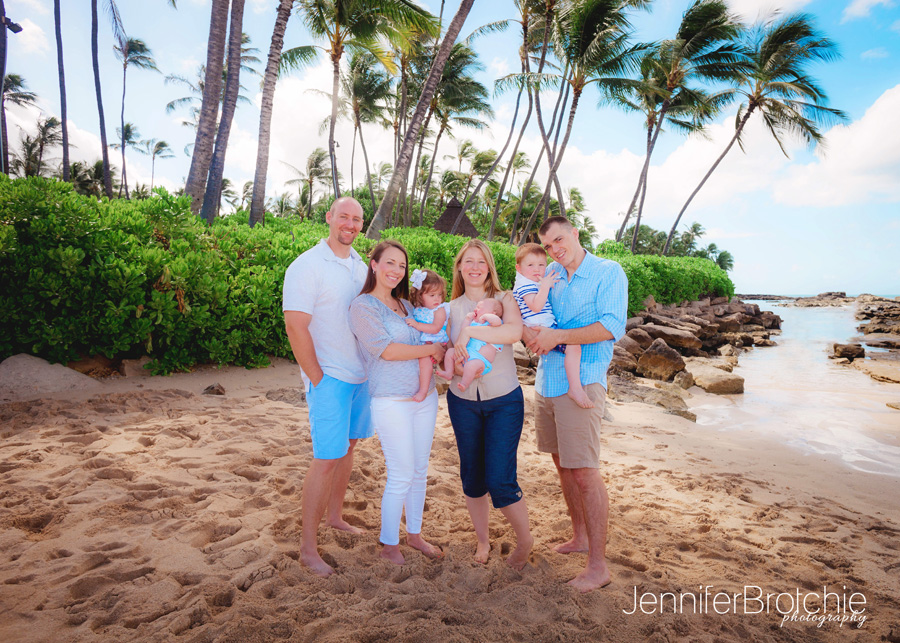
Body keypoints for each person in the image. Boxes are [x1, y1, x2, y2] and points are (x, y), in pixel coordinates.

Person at [523, 215, 628, 593]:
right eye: (548, 245)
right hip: (547, 382)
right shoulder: (550, 270)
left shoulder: (607, 272)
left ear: (575, 233)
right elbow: (534, 312)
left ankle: (598, 566)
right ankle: (580, 536)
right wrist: (533, 336)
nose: (555, 250)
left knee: (584, 470)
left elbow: (612, 326)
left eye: (559, 240)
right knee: (563, 465)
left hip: (583, 380)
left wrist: (556, 337)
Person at [282, 196, 373, 578]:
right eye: (344, 217)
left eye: (357, 219)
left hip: (361, 376)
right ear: (329, 218)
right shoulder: (307, 265)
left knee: (348, 447)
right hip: (330, 378)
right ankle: (307, 548)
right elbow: (295, 325)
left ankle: (335, 516)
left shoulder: (360, 265)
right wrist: (317, 377)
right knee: (325, 457)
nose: (350, 224)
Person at [349, 241, 446, 565]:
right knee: (401, 472)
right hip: (391, 399)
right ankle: (389, 542)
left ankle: (415, 535)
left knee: (419, 471)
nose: (395, 271)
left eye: (402, 266)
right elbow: (386, 350)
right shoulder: (362, 307)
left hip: (425, 397)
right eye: (389, 263)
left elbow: (433, 336)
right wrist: (430, 351)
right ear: (374, 264)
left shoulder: (406, 306)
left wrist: (442, 350)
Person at [444, 239, 533, 570]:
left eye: (482, 261)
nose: (475, 267)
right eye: (469, 261)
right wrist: (454, 358)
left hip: (504, 402)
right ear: (460, 267)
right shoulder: (451, 309)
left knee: (500, 478)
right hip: (462, 401)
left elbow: (513, 332)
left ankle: (524, 541)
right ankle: (483, 540)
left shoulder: (504, 299)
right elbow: (445, 353)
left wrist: (470, 334)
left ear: (489, 267)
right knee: (472, 477)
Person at [512, 243, 592, 409]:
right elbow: (535, 306)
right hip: (540, 329)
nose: (537, 269)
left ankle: (574, 387)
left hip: (543, 328)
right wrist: (546, 286)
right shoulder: (525, 285)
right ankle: (575, 388)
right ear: (519, 268)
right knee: (574, 347)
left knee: (572, 348)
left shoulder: (529, 282)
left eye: (541, 265)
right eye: (531, 265)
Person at [436, 298, 504, 392]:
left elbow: (497, 322)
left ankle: (464, 383)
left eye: (480, 307)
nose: (476, 309)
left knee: (470, 366)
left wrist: (486, 316)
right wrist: (468, 319)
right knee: (450, 352)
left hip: (480, 360)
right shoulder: (474, 323)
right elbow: (464, 330)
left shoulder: (492, 323)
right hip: (465, 354)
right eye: (476, 307)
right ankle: (448, 372)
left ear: (493, 313)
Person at [406, 268, 450, 402]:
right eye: (432, 295)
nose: (437, 299)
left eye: (439, 294)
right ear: (420, 295)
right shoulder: (417, 308)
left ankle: (423, 391)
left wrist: (417, 325)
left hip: (435, 340)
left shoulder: (439, 310)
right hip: (423, 342)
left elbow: (436, 328)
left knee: (424, 362)